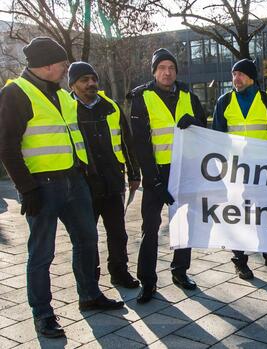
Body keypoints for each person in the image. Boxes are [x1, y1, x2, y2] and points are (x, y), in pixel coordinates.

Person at [0, 37, 124, 338]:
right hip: (42, 186)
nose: (66, 68)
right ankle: (42, 314)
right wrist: (26, 188)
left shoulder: (63, 95)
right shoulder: (16, 93)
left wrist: (85, 171)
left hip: (74, 180)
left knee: (87, 239)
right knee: (42, 253)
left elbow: (73, 136)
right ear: (47, 65)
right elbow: (6, 144)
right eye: (62, 64)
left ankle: (89, 294)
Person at [128, 48, 207, 303]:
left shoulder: (188, 94)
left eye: (171, 68)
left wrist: (193, 120)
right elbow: (139, 142)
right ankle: (148, 282)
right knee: (150, 228)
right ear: (154, 72)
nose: (167, 72)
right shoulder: (143, 97)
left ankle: (180, 271)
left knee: (184, 224)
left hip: (185, 170)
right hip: (156, 174)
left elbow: (204, 128)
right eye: (162, 68)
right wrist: (152, 179)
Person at [68, 62, 141, 289]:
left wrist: (134, 173)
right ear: (72, 84)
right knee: (87, 238)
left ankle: (119, 272)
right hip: (82, 185)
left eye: (93, 79)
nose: (91, 83)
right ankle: (91, 281)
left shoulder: (110, 106)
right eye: (84, 80)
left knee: (118, 233)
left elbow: (127, 142)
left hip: (113, 181)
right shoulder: (66, 108)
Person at [212, 59, 267, 279]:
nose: (236, 79)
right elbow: (216, 135)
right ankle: (240, 260)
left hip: (264, 169)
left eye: (241, 74)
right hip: (236, 170)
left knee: (266, 212)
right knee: (238, 215)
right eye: (234, 74)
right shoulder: (224, 101)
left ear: (252, 77)